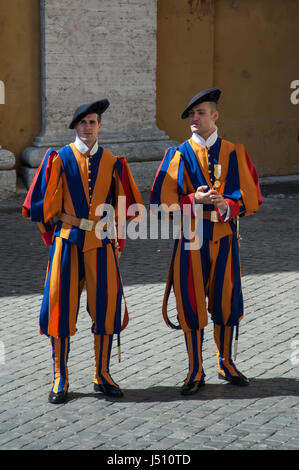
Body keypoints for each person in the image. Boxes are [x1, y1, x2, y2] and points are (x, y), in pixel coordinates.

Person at [23, 99, 143, 403]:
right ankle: (60, 377)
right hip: (67, 241)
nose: (87, 127)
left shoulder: (114, 162)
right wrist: (56, 236)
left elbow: (124, 207)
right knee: (60, 307)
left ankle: (101, 373)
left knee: (105, 306)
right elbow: (39, 206)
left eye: (92, 122)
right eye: (82, 123)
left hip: (101, 242)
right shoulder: (58, 158)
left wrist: (117, 241)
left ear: (99, 126)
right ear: (75, 127)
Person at [150, 88, 262, 395]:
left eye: (200, 113)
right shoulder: (177, 155)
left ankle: (225, 362)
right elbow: (160, 201)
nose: (194, 119)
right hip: (192, 239)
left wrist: (228, 205)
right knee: (191, 302)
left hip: (225, 237)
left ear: (215, 116)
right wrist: (192, 199)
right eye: (191, 115)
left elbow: (252, 198)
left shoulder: (235, 152)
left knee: (227, 301)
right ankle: (194, 368)